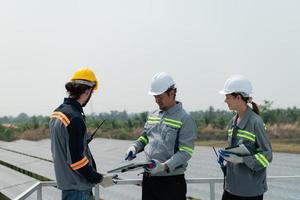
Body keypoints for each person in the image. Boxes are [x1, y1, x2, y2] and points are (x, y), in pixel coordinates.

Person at [125, 72, 197, 200]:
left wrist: (164, 166)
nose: (157, 100)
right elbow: (145, 138)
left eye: (160, 96)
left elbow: (185, 152)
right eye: (155, 97)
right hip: (149, 180)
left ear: (172, 93)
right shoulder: (152, 115)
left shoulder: (185, 119)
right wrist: (134, 147)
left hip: (171, 183)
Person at [49, 67, 113, 200]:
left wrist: (82, 141)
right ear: (88, 91)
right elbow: (76, 161)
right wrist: (99, 178)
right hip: (78, 190)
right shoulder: (75, 118)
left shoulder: (57, 113)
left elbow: (64, 147)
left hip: (68, 186)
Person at [218, 74, 273, 200]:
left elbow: (267, 155)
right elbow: (236, 149)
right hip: (231, 188)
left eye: (227, 97)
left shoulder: (256, 122)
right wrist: (225, 157)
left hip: (250, 192)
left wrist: (243, 160)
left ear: (238, 97)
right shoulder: (233, 121)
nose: (225, 101)